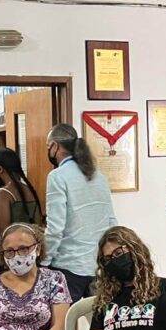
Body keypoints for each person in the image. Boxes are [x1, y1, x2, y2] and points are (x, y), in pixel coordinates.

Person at [43, 123, 118, 301]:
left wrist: (44, 261)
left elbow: (55, 228)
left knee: (65, 318)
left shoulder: (57, 176)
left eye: (48, 146)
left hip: (68, 266)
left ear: (55, 146)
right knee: (99, 317)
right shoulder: (99, 176)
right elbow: (112, 222)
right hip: (98, 266)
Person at [0, 147, 43, 230]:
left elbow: (3, 231)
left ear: (0, 169)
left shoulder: (3, 192)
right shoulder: (30, 189)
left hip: (14, 238)